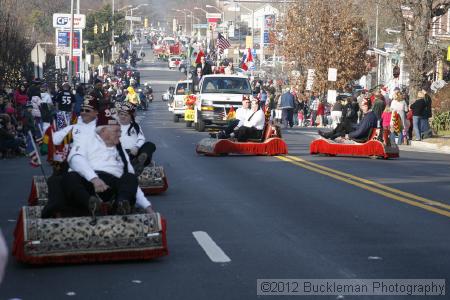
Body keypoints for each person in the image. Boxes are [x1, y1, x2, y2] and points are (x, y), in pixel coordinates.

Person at [60, 109, 154, 216]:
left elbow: (131, 178)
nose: (120, 135)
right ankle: (91, 205)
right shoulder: (85, 141)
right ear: (103, 131)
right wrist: (94, 179)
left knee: (130, 177)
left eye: (120, 131)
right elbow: (76, 159)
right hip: (88, 184)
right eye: (116, 131)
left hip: (111, 184)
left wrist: (147, 206)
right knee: (70, 177)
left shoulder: (119, 148)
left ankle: (121, 204)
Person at [117, 102, 156, 174]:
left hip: (135, 153)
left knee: (150, 145)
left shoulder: (135, 126)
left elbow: (141, 138)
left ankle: (140, 161)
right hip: (120, 153)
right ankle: (134, 165)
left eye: (126, 115)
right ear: (118, 115)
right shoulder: (114, 126)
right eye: (121, 114)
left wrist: (136, 147)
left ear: (131, 117)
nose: (123, 117)